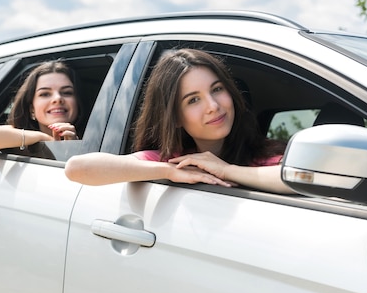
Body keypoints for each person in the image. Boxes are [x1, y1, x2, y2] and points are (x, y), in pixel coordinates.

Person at [64, 48, 294, 194]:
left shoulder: (265, 157)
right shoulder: (172, 160)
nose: (213, 106)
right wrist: (169, 172)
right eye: (193, 100)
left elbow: (299, 179)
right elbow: (78, 168)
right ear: (174, 118)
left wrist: (226, 170)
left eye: (217, 89)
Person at [0, 60, 81, 151]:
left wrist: (74, 147)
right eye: (45, 94)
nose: (58, 98)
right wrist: (43, 138)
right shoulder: (14, 136)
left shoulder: (99, 140)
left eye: (67, 92)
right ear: (31, 110)